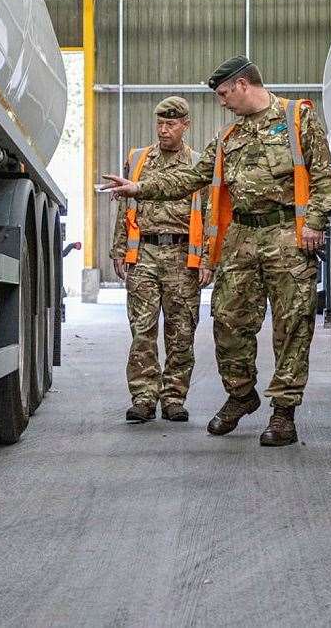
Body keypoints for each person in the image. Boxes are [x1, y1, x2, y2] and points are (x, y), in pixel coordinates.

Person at [102, 57, 331, 446]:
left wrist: (314, 223)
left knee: (292, 325)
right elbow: (193, 177)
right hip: (242, 237)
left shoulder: (299, 119)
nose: (223, 102)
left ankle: (283, 414)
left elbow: (324, 178)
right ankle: (241, 395)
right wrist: (139, 188)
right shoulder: (229, 137)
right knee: (227, 322)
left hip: (287, 236)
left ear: (243, 84)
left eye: (225, 94)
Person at [109, 96, 213, 423]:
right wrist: (119, 248)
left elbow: (210, 214)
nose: (164, 130)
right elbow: (125, 206)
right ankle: (143, 397)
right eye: (160, 123)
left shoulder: (198, 165)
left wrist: (208, 259)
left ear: (185, 125)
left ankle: (173, 397)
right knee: (143, 329)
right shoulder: (138, 159)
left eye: (171, 124)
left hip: (183, 257)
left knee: (181, 331)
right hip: (145, 254)